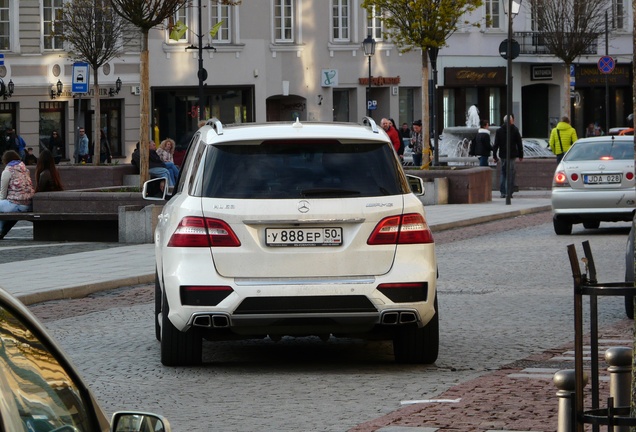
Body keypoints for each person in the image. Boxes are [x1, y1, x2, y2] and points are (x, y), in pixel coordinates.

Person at [0, 150, 34, 239]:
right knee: (6, 212)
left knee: (3, 207)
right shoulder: (25, 169)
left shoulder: (7, 171)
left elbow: (2, 193)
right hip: (28, 204)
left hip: (16, 204)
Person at [492, 114, 523, 199]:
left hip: (503, 155)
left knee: (503, 173)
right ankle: (509, 192)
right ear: (510, 121)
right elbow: (519, 144)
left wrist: (494, 156)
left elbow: (496, 144)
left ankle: (503, 192)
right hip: (512, 155)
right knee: (511, 173)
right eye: (512, 120)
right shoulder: (515, 130)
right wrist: (521, 155)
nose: (513, 121)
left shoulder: (499, 131)